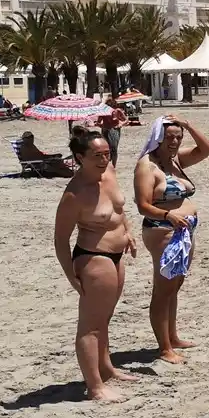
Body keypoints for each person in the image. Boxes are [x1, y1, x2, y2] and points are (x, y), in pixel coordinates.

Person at [52, 130, 138, 403]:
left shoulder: (109, 172)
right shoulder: (74, 194)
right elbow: (60, 239)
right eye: (97, 156)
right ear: (79, 158)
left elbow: (119, 210)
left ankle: (106, 368)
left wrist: (129, 232)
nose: (104, 160)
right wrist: (71, 276)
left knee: (105, 319)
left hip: (117, 254)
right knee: (90, 326)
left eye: (106, 154)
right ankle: (95, 387)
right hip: (93, 257)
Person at [134, 116, 209, 364]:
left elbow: (207, 149)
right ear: (158, 137)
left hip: (184, 231)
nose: (175, 142)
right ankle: (164, 348)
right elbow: (142, 205)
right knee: (163, 290)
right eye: (169, 137)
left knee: (175, 286)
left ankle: (173, 336)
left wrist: (188, 125)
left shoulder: (175, 161)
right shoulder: (147, 167)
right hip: (162, 231)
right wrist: (168, 215)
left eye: (179, 137)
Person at [96, 95, 127, 166]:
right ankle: (107, 163)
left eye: (111, 104)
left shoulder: (117, 111)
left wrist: (121, 124)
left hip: (115, 130)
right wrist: (100, 125)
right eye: (108, 104)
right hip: (105, 130)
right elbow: (98, 122)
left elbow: (125, 120)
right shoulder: (103, 112)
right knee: (107, 148)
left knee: (114, 148)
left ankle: (113, 165)